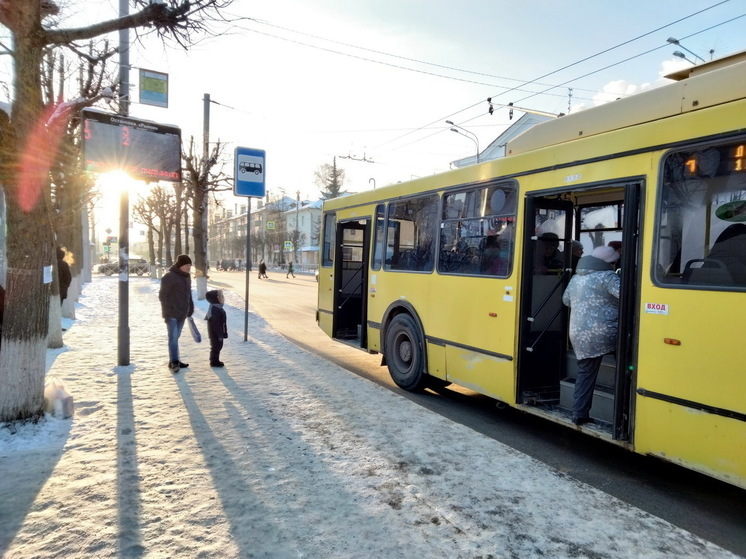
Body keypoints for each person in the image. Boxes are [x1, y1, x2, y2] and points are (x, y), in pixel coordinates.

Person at [562, 246, 621, 425]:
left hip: (578, 333)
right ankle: (623, 409)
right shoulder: (609, 277)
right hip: (607, 332)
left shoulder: (576, 277)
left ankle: (579, 412)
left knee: (585, 373)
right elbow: (628, 296)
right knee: (627, 364)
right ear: (610, 262)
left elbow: (566, 300)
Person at [159, 254, 194, 373]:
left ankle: (174, 360)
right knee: (173, 337)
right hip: (172, 313)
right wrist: (168, 310)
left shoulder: (186, 277)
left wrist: (190, 308)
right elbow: (163, 295)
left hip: (182, 313)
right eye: (187, 265)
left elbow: (188, 294)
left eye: (190, 265)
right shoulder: (169, 277)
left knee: (176, 337)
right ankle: (174, 362)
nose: (189, 267)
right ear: (180, 265)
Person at [205, 289, 228, 367]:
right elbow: (216, 324)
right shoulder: (214, 309)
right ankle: (214, 361)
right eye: (221, 296)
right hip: (215, 333)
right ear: (216, 299)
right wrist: (219, 335)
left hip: (219, 332)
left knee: (219, 346)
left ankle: (216, 360)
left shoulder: (218, 307)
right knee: (216, 347)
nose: (223, 298)